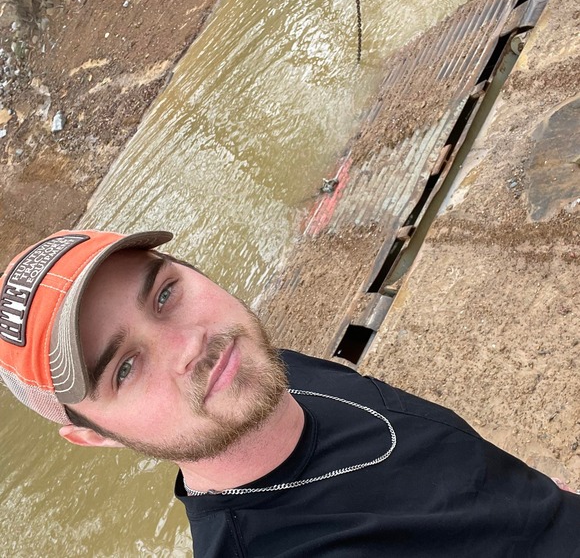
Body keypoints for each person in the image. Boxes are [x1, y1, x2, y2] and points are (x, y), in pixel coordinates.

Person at [1, 229, 579, 557]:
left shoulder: (263, 369)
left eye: (165, 295)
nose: (190, 345)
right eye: (124, 368)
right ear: (92, 436)